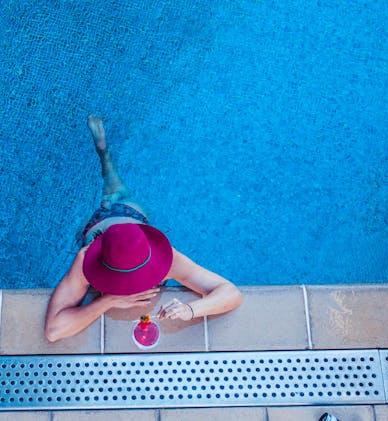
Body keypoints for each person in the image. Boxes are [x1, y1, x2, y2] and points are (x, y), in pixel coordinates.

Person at [44, 115, 243, 342]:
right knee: (115, 189)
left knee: (114, 190)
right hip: (108, 223)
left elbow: (231, 293)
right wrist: (107, 300)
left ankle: (104, 153)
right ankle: (104, 154)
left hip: (131, 216)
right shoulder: (85, 259)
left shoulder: (169, 260)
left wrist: (190, 310)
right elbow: (53, 331)